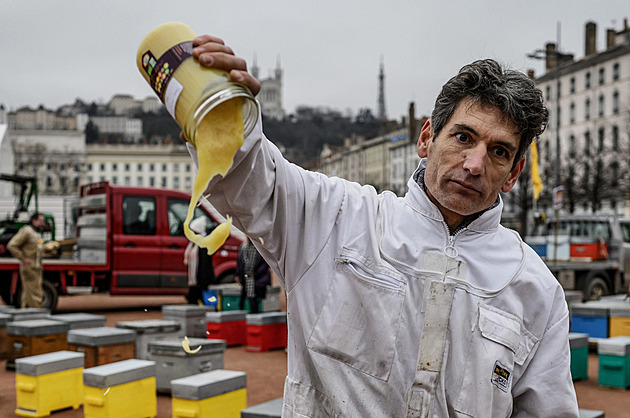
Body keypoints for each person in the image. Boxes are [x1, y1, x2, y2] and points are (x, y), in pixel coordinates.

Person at [183, 35, 579, 417]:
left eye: (498, 152)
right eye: (463, 137)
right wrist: (221, 108)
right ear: (426, 138)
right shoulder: (336, 217)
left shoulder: (535, 289)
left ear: (513, 173)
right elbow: (247, 181)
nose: (475, 164)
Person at [7, 213, 45, 308]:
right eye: (40, 221)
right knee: (35, 293)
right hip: (29, 267)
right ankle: (37, 314)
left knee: (28, 293)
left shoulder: (36, 234)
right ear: (34, 221)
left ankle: (25, 312)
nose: (42, 223)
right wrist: (23, 258)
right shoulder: (27, 232)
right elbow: (12, 245)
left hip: (36, 267)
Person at [183, 217, 216, 305]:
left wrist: (202, 281)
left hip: (201, 281)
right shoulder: (193, 244)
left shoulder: (203, 244)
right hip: (195, 281)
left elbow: (205, 264)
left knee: (204, 302)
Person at [236, 236, 271, 313]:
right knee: (245, 300)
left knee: (255, 299)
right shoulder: (243, 247)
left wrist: (255, 274)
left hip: (257, 280)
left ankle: (255, 315)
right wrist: (238, 274)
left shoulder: (261, 248)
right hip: (246, 279)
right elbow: (240, 262)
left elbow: (265, 264)